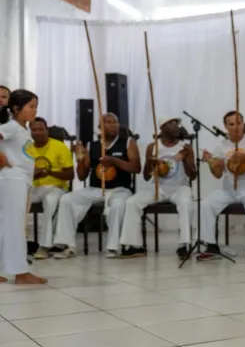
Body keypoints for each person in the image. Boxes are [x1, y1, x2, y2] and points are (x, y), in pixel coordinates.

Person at [53, 113, 141, 259]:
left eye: (115, 122)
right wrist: (80, 158)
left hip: (120, 189)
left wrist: (114, 160)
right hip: (95, 189)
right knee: (67, 199)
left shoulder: (128, 142)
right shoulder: (91, 145)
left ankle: (114, 247)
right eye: (108, 122)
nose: (113, 125)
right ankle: (67, 244)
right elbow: (82, 176)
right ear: (100, 127)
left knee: (119, 204)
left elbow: (136, 168)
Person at [118, 117, 196, 259]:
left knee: (186, 202)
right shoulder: (152, 147)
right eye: (172, 124)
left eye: (178, 124)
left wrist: (185, 159)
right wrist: (150, 162)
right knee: (132, 202)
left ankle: (185, 244)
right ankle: (134, 245)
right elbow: (147, 177)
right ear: (163, 128)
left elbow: (193, 175)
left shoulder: (185, 147)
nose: (177, 126)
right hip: (158, 188)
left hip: (179, 187)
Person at [197, 111, 245, 263]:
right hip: (228, 190)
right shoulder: (222, 145)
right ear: (225, 126)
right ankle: (211, 246)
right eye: (231, 124)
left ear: (243, 124)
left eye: (239, 123)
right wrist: (211, 162)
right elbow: (217, 174)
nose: (236, 127)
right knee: (206, 204)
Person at [0, 90, 47, 284]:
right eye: (31, 106)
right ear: (16, 108)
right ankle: (20, 272)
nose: (35, 111)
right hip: (12, 180)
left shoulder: (22, 129)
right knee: (15, 226)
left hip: (20, 180)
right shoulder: (11, 126)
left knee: (7, 225)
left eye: (36, 106)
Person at [29, 117, 74, 259]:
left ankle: (44, 246)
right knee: (13, 199)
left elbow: (70, 174)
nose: (37, 132)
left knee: (50, 201)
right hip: (35, 188)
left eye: (41, 129)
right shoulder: (27, 148)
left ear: (47, 130)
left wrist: (48, 172)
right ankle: (15, 243)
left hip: (57, 187)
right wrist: (33, 174)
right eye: (34, 130)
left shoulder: (59, 146)